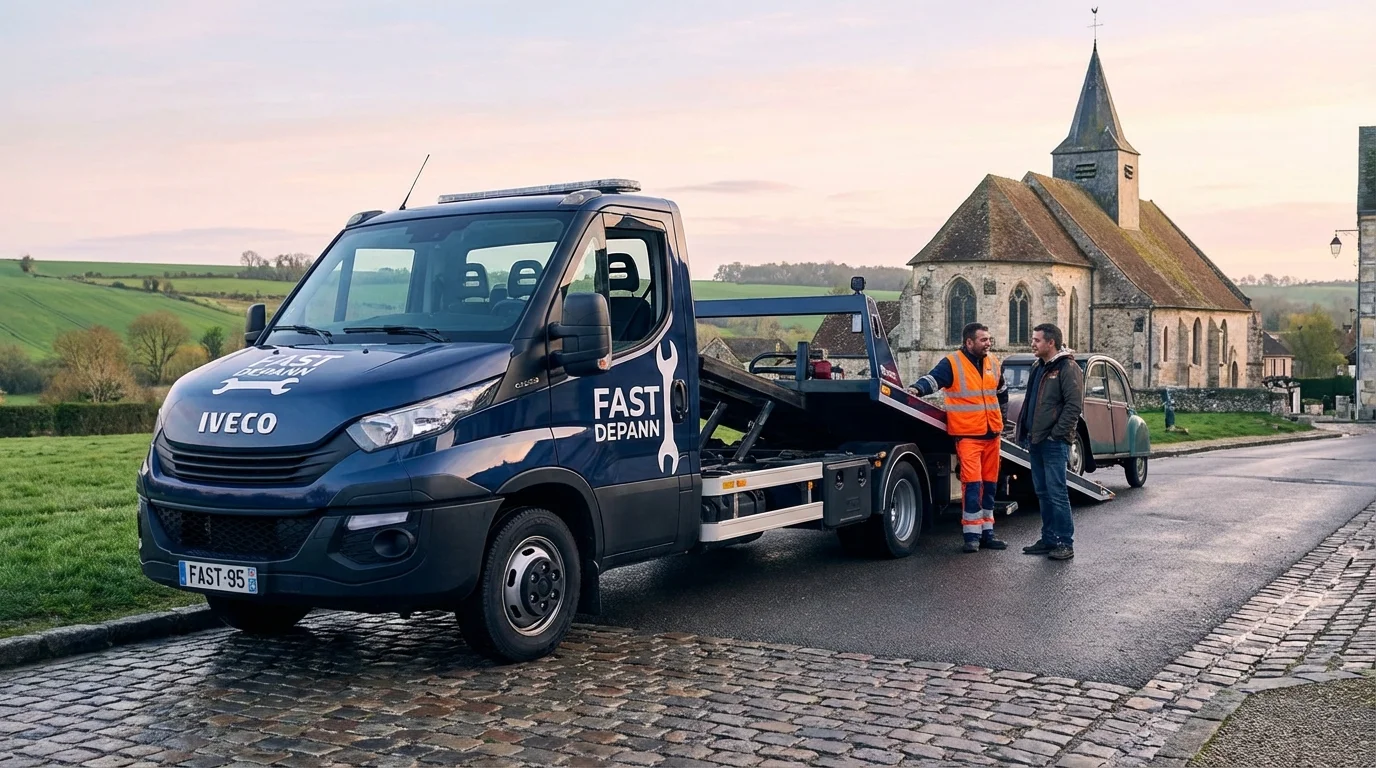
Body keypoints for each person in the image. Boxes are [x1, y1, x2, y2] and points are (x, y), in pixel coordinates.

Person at [908, 322, 1009, 553]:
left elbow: (1002, 391)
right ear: (969, 342)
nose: (988, 343)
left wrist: (1002, 418)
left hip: (992, 434)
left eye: (989, 339)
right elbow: (933, 380)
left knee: (991, 486)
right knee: (972, 486)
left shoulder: (993, 362)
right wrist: (916, 389)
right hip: (968, 436)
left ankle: (988, 533)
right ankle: (971, 536)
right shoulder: (952, 363)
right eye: (983, 340)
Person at [1015, 323, 1084, 561]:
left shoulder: (1067, 367)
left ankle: (1065, 542)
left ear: (1050, 342)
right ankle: (1048, 539)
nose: (1032, 343)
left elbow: (1074, 405)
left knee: (1057, 493)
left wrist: (1057, 434)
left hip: (1054, 442)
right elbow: (1031, 401)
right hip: (1035, 440)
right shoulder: (1038, 367)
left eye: (1037, 340)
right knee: (1042, 493)